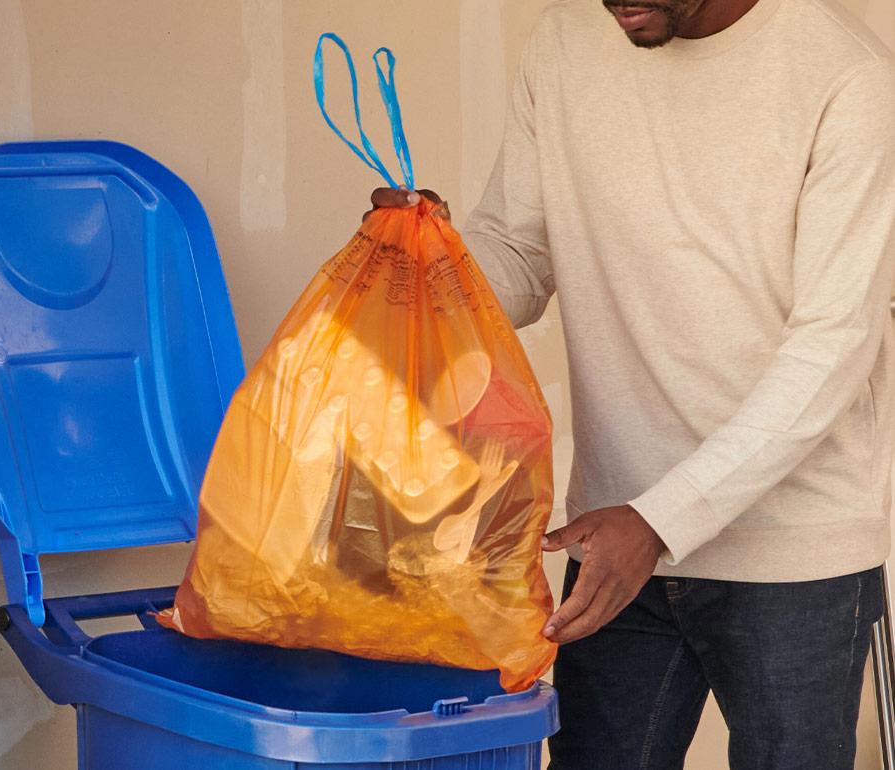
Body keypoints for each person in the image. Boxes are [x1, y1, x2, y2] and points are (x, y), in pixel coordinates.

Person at [369, 0, 895, 767]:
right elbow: (520, 252)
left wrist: (659, 521)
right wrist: (436, 261)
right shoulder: (564, 42)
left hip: (790, 555)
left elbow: (831, 351)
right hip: (616, 538)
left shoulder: (845, 73)